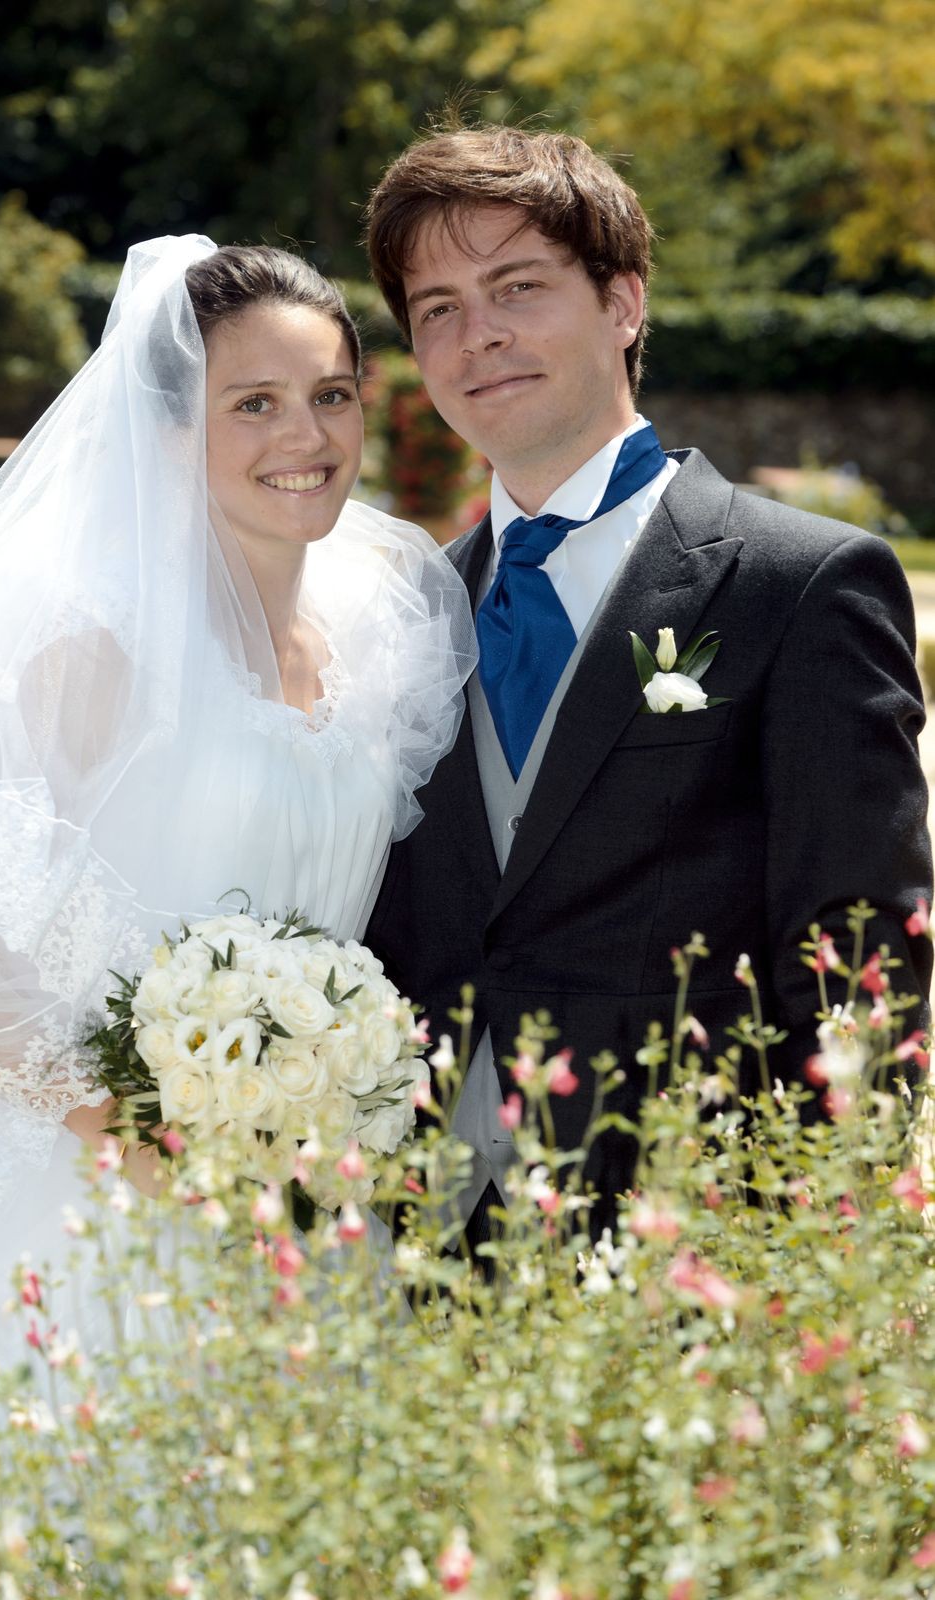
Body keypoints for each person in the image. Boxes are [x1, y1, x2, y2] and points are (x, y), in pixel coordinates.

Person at [0, 237, 476, 1460]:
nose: (304, 435)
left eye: (330, 395)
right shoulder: (89, 644)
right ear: (161, 431)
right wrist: (129, 1125)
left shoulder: (383, 633)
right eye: (251, 403)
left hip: (301, 1198)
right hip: (77, 1197)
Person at [362, 123, 933, 1248]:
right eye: (436, 308)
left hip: (686, 1229)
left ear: (622, 303)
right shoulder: (404, 611)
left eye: (517, 287)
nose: (478, 335)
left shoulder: (800, 582)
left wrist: (821, 1239)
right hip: (419, 1232)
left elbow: (859, 948)